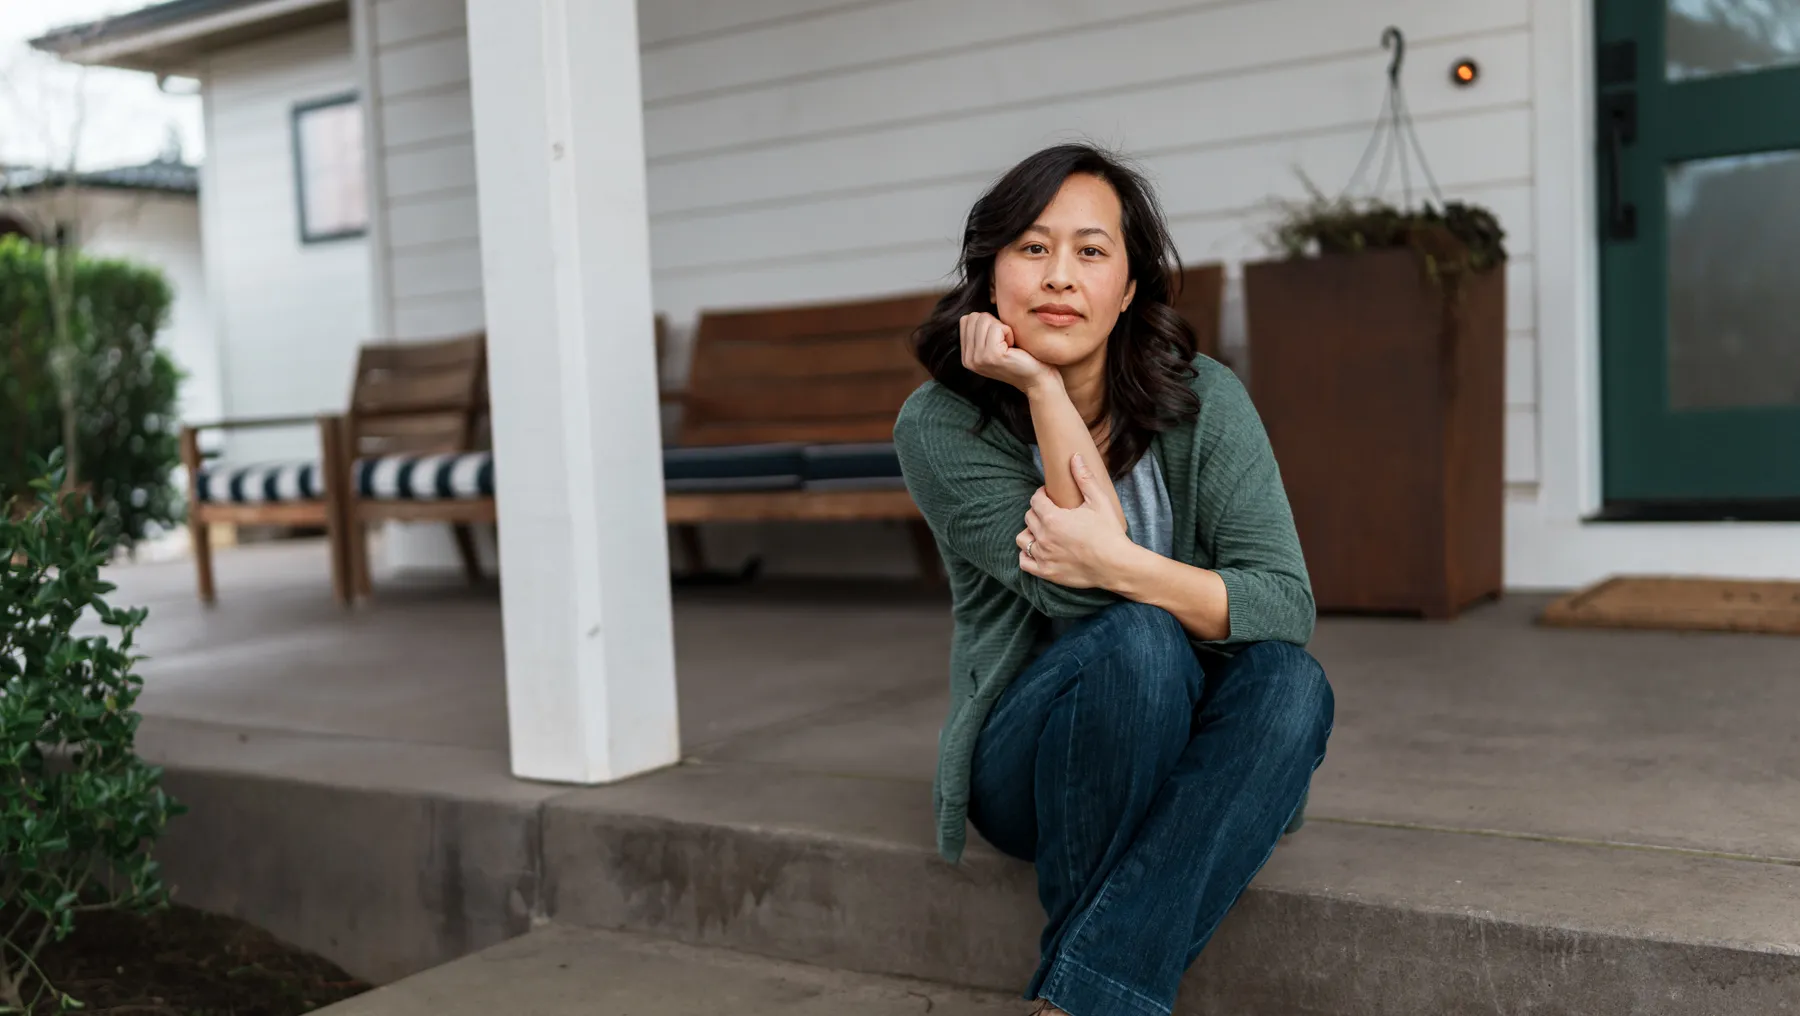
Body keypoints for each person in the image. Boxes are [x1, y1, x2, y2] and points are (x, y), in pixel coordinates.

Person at [893, 143, 1334, 1016]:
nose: (1060, 276)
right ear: (990, 276)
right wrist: (1042, 388)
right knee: (1133, 637)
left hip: (1187, 731)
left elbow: (1283, 605)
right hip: (1027, 757)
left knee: (1291, 682)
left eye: (1092, 252)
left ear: (1129, 287)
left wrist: (1118, 559)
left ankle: (1077, 1002)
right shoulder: (941, 425)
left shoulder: (1205, 399)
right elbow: (1074, 596)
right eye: (1031, 247)